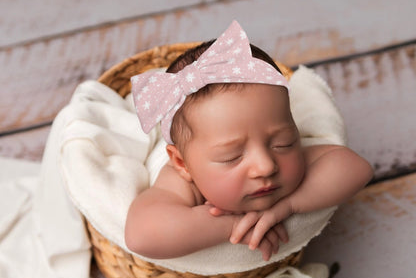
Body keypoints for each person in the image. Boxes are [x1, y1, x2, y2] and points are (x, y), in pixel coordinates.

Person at [125, 21, 373, 261]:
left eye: (283, 143)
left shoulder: (285, 157)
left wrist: (288, 206)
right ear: (182, 163)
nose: (266, 166)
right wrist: (234, 225)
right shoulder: (179, 181)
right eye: (231, 157)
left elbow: (355, 167)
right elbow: (141, 235)